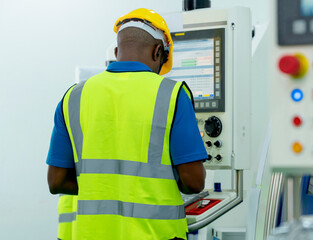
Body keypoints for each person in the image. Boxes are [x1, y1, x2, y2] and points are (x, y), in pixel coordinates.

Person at [46, 8, 208, 240]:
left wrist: (105, 189)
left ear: (116, 51)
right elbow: (193, 182)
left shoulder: (74, 96)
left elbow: (56, 181)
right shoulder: (172, 94)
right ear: (158, 51)